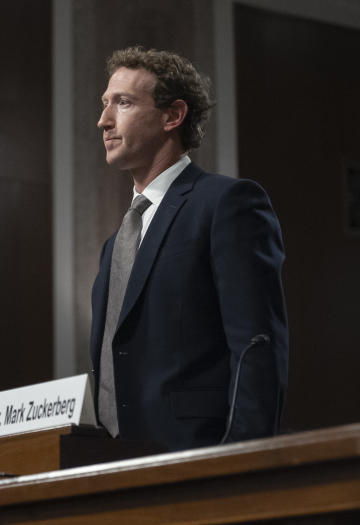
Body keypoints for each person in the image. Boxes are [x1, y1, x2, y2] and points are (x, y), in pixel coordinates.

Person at [90, 46, 288, 451]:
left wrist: (239, 463)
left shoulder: (226, 204)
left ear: (173, 116)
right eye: (105, 104)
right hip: (116, 467)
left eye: (123, 103)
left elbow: (257, 349)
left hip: (201, 459)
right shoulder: (115, 244)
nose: (103, 121)